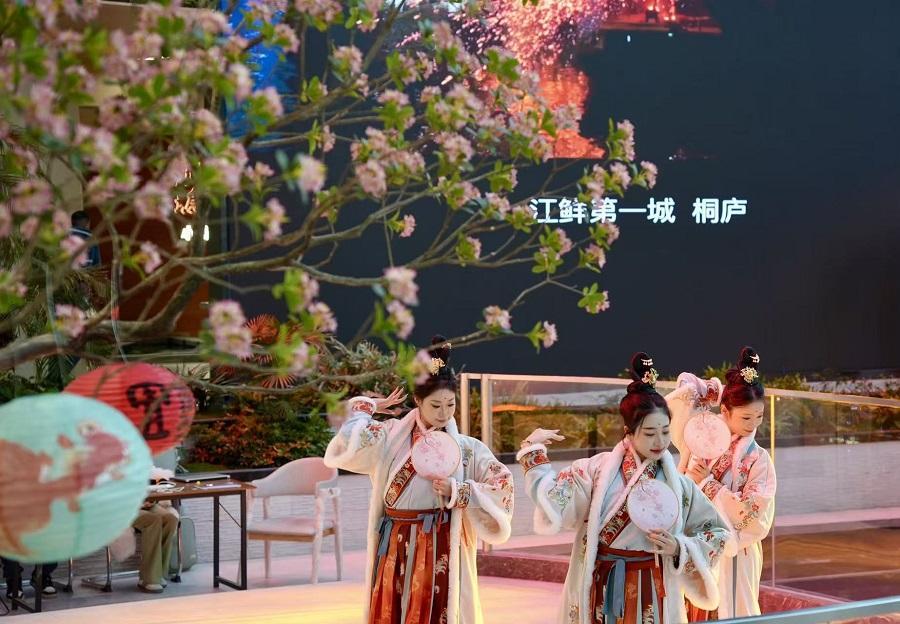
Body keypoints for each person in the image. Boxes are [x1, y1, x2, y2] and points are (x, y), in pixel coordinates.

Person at [518, 353, 730, 624]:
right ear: (628, 431)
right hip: (603, 583)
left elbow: (716, 531)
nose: (660, 441)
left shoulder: (679, 485)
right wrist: (532, 452)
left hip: (653, 584)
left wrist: (679, 547)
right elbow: (555, 496)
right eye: (650, 433)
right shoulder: (597, 470)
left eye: (665, 431)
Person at [325, 335, 514, 624]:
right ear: (417, 401)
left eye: (450, 405)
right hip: (395, 542)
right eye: (435, 405)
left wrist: (459, 491)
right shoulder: (390, 437)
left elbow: (502, 486)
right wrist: (368, 406)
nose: (444, 413)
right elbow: (348, 441)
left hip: (440, 542)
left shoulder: (467, 449)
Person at [667, 347, 776, 620]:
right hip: (699, 545)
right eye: (746, 417)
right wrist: (714, 391)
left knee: (735, 610)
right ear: (725, 411)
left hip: (737, 551)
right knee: (696, 609)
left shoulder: (759, 459)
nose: (753, 424)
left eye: (759, 416)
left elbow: (755, 514)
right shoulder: (701, 439)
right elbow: (682, 395)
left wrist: (709, 484)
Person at [134, 502, 179, 593]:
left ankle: (158, 574)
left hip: (147, 506)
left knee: (171, 520)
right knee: (153, 520)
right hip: (126, 507)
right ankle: (151, 578)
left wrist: (152, 501)